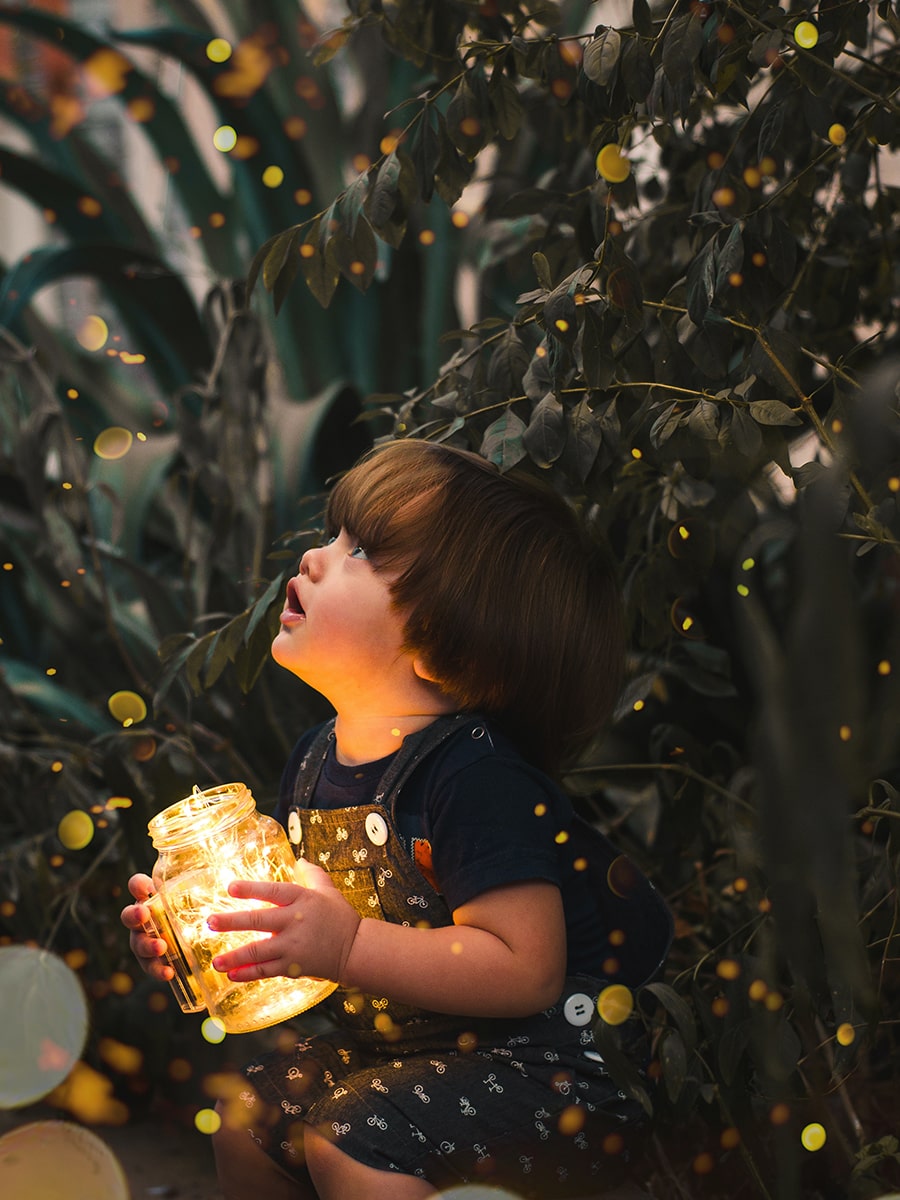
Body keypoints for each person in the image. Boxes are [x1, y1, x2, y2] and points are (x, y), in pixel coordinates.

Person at [121, 440, 671, 1200]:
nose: (316, 557)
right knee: (250, 1112)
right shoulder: (316, 760)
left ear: (452, 653)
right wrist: (209, 936)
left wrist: (344, 944)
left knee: (353, 1134)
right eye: (336, 535)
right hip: (407, 1060)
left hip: (547, 1080)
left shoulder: (477, 778)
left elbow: (526, 967)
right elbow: (304, 908)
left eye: (364, 553)